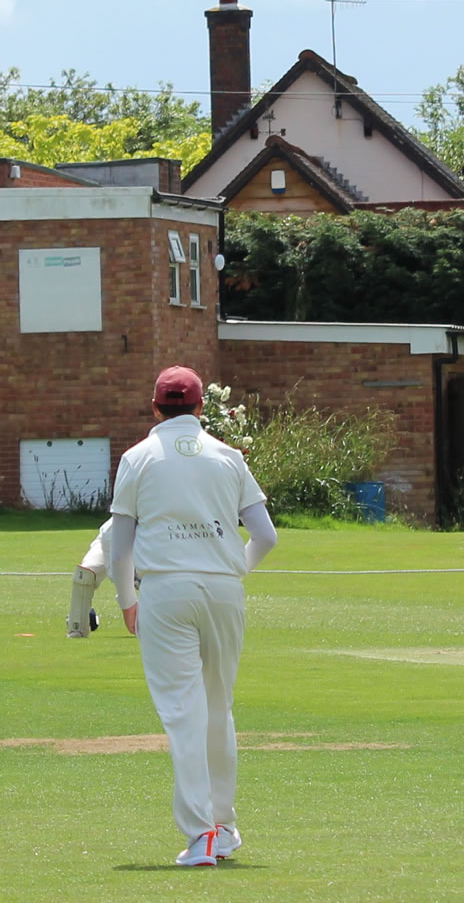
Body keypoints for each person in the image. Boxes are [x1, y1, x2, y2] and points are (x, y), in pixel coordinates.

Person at [101, 366, 275, 867]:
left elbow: (120, 546)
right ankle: (224, 827)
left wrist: (126, 601)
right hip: (224, 592)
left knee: (184, 714)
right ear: (201, 408)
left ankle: (203, 836)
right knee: (217, 711)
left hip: (165, 591)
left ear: (156, 408)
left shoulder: (138, 457)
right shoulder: (228, 456)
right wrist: (229, 572)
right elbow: (266, 537)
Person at [65, 517, 115, 638]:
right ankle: (77, 629)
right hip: (110, 540)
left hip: (148, 544)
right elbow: (108, 536)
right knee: (84, 574)